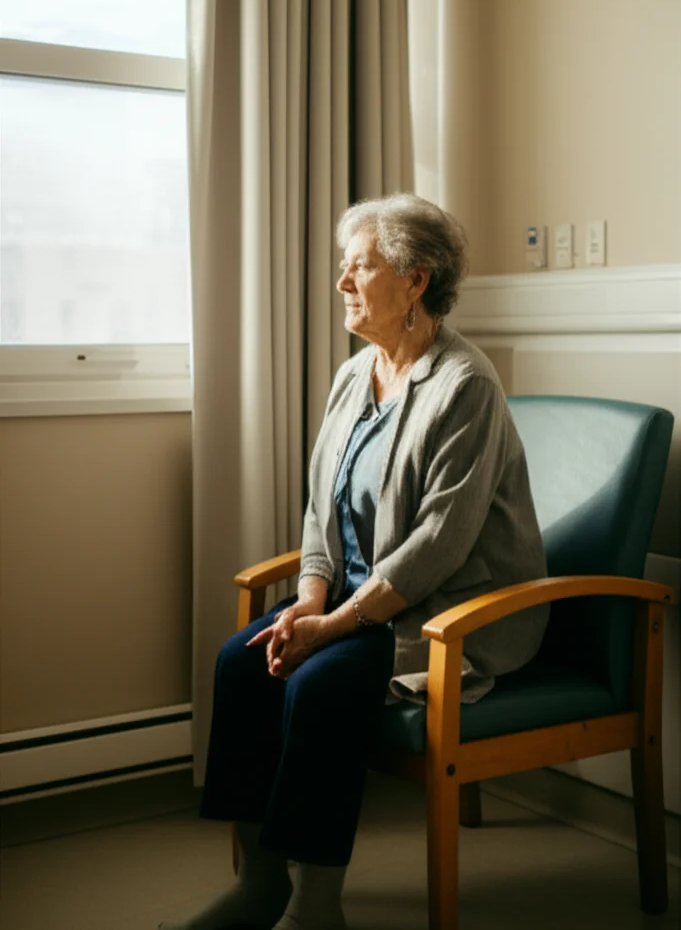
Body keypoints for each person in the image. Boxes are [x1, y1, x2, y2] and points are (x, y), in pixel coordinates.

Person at [159, 194, 549, 930]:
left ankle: (316, 904)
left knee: (322, 682)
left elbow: (441, 542)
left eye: (359, 267)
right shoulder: (353, 376)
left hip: (448, 613)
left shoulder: (465, 386)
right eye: (343, 268)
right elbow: (319, 509)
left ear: (415, 279)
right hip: (355, 600)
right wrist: (308, 600)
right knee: (240, 662)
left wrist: (331, 628)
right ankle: (261, 883)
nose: (342, 284)